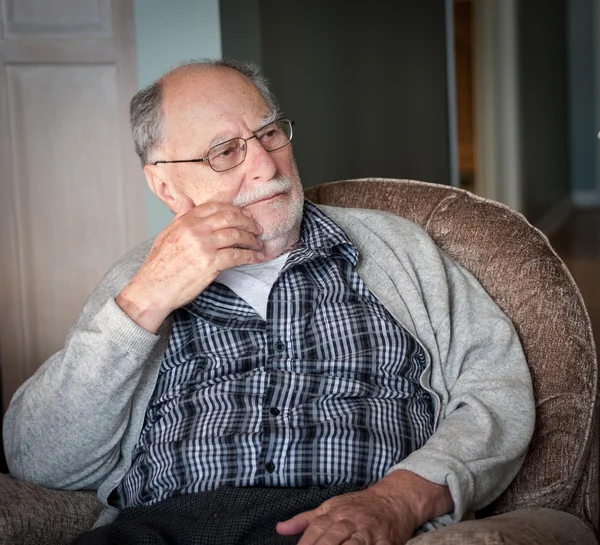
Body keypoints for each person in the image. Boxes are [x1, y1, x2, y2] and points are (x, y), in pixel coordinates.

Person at [2, 59, 534, 545]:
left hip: (347, 522)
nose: (265, 164)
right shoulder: (137, 283)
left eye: (270, 133)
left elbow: (497, 389)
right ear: (166, 186)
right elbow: (39, 461)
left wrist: (398, 498)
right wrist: (141, 304)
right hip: (164, 529)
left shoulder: (399, 250)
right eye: (225, 150)